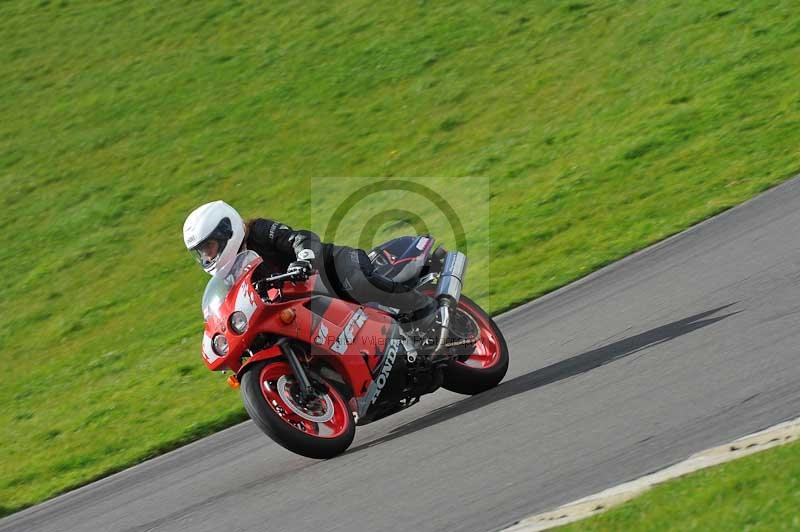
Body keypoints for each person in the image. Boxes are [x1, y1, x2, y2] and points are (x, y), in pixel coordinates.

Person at [183, 200, 438, 327]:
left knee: (358, 283)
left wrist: (303, 261)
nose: (207, 257)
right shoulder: (230, 277)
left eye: (209, 247)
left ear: (226, 232)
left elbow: (300, 238)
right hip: (306, 305)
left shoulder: (258, 231)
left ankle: (426, 308)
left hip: (330, 269)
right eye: (201, 253)